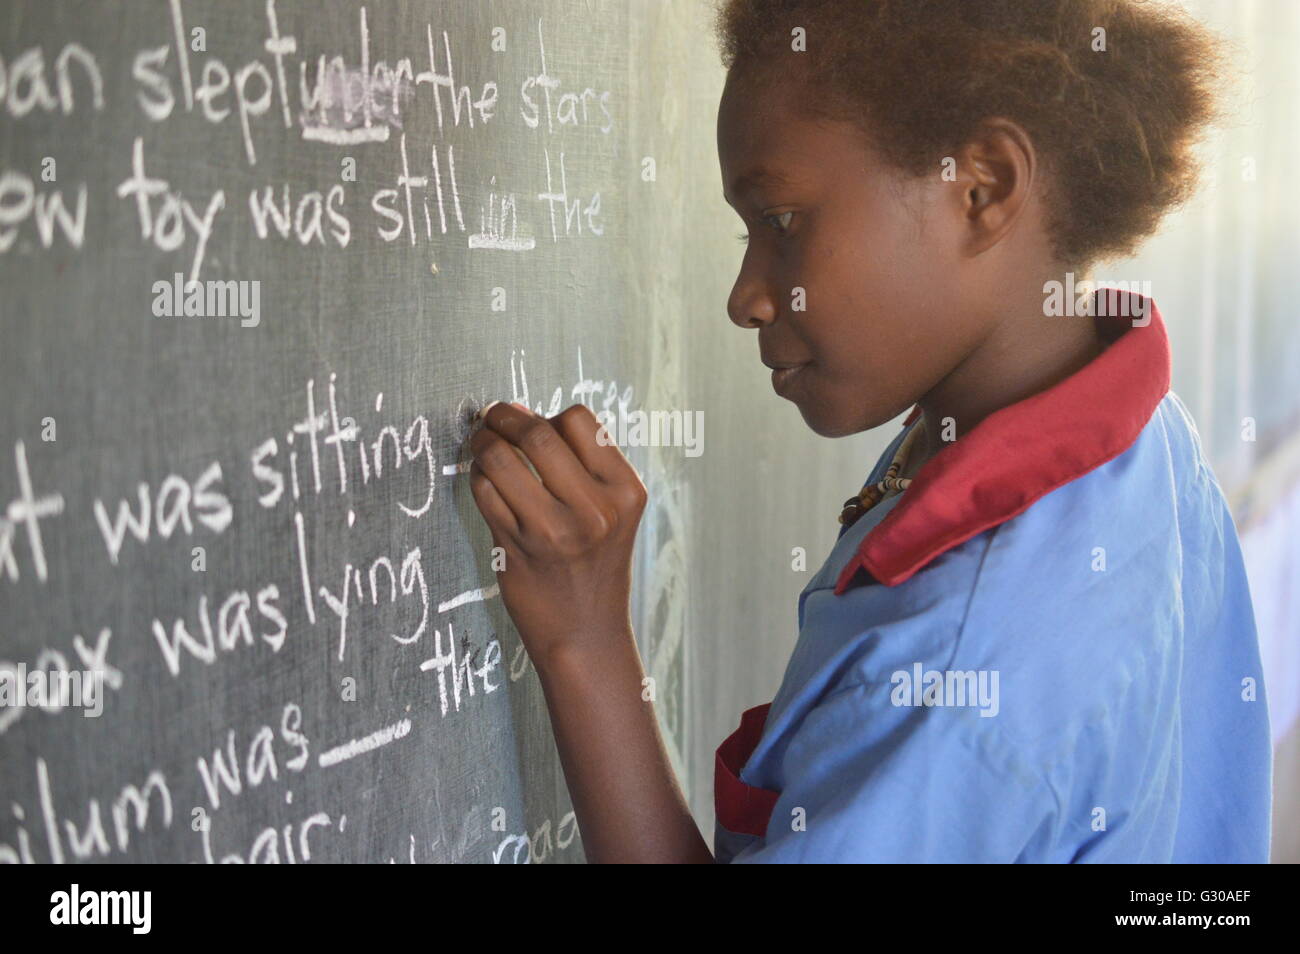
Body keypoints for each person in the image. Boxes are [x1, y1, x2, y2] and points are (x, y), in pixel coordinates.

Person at [466, 0, 1272, 862]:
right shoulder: (1138, 435)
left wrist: (584, 640)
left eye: (781, 222)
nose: (746, 296)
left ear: (983, 188)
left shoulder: (957, 682)